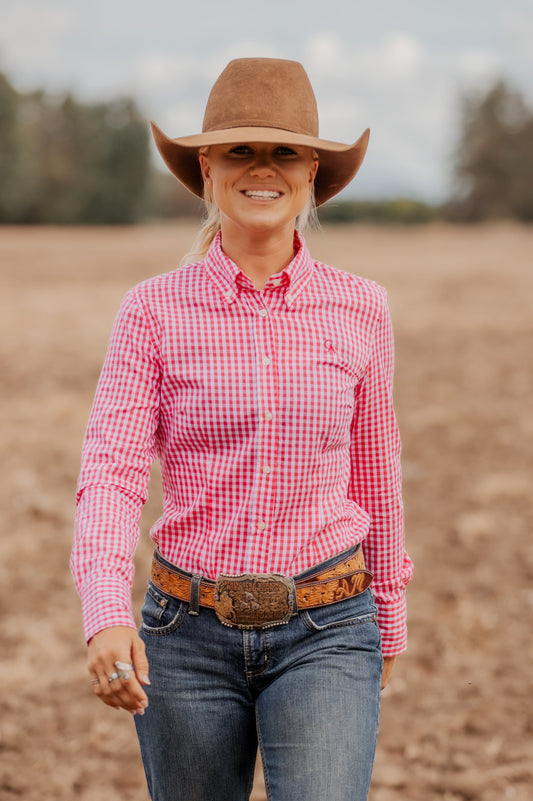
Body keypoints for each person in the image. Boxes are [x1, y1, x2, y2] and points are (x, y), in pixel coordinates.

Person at [71, 57, 413, 801]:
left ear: (312, 170)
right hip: (183, 637)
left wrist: (389, 618)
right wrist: (103, 611)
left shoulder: (362, 308)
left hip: (327, 630)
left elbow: (375, 472)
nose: (263, 168)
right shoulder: (151, 311)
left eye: (283, 150)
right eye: (240, 150)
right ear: (207, 167)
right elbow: (112, 470)